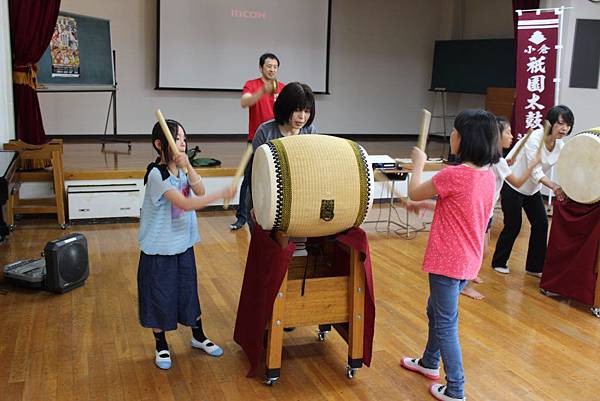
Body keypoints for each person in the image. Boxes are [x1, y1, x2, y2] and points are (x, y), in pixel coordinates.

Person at [400, 109, 500, 401]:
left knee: (445, 321)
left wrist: (417, 164)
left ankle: (456, 388)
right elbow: (464, 211)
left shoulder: (453, 174)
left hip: (447, 261)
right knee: (436, 311)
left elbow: (416, 190)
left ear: (465, 139)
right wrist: (430, 208)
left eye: (455, 131)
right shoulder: (487, 176)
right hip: (467, 261)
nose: (452, 135)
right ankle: (430, 363)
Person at [138, 119, 236, 370]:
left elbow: (199, 190)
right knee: (159, 297)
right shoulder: (155, 175)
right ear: (160, 144)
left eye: (183, 138)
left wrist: (188, 165)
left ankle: (198, 336)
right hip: (159, 250)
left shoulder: (181, 170)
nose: (182, 142)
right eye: (176, 138)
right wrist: (222, 193)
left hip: (182, 245)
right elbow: (186, 203)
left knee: (188, 292)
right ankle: (161, 344)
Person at [460, 117, 542, 300]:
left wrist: (506, 165)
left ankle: (469, 275)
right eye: (508, 132)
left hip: (484, 212)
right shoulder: (498, 161)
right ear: (496, 136)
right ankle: (463, 284)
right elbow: (519, 182)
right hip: (482, 213)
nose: (512, 136)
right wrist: (532, 166)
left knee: (481, 249)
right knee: (482, 251)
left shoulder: (491, 158)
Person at [491, 105, 574, 278]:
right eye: (560, 124)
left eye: (568, 125)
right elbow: (534, 170)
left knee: (541, 224)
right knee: (513, 225)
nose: (564, 128)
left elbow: (565, 166)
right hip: (513, 184)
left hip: (531, 189)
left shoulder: (560, 144)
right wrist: (553, 186)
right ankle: (499, 261)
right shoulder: (535, 138)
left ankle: (535, 267)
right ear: (550, 123)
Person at [246, 82, 317, 230]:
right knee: (267, 248)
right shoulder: (265, 132)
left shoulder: (310, 131)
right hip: (266, 196)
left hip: (297, 199)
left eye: (307, 111)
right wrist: (256, 206)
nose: (302, 117)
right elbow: (255, 174)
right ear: (285, 107)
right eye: (297, 110)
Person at [230, 53, 285, 231]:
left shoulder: (283, 88)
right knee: (248, 179)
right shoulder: (252, 85)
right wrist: (262, 91)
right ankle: (242, 217)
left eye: (275, 66)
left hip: (278, 141)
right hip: (255, 140)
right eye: (269, 66)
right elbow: (244, 101)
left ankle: (274, 215)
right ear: (261, 67)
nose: (272, 69)